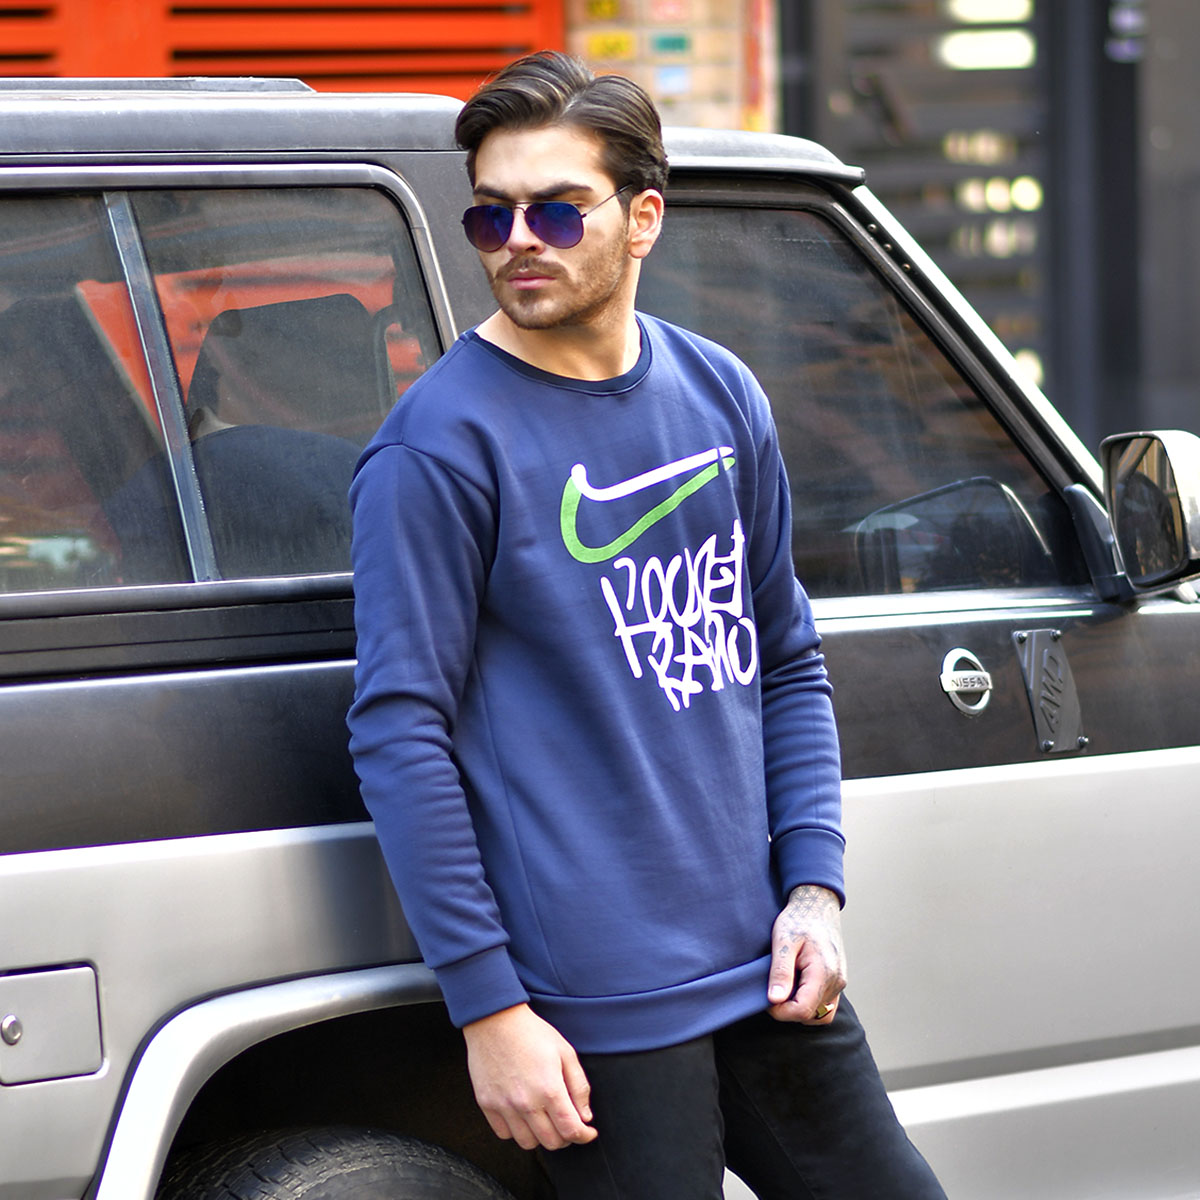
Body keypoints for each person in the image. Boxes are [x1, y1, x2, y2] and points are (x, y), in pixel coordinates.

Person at [347, 50, 945, 1199]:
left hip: (765, 964)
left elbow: (786, 661)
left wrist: (813, 891)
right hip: (597, 1002)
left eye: (557, 211)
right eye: (490, 214)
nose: (518, 241)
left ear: (644, 218)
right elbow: (398, 734)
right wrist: (491, 1009)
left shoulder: (719, 392)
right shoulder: (438, 449)